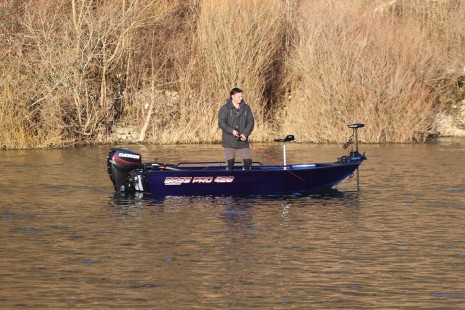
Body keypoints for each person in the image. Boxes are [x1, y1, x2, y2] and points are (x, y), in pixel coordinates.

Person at [218, 87, 255, 170]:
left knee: (248, 163)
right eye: (239, 96)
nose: (241, 98)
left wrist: (245, 133)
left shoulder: (246, 108)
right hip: (229, 140)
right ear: (232, 96)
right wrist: (232, 131)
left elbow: (251, 122)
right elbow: (221, 123)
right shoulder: (224, 108)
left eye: (241, 96)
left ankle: (247, 180)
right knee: (230, 164)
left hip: (243, 140)